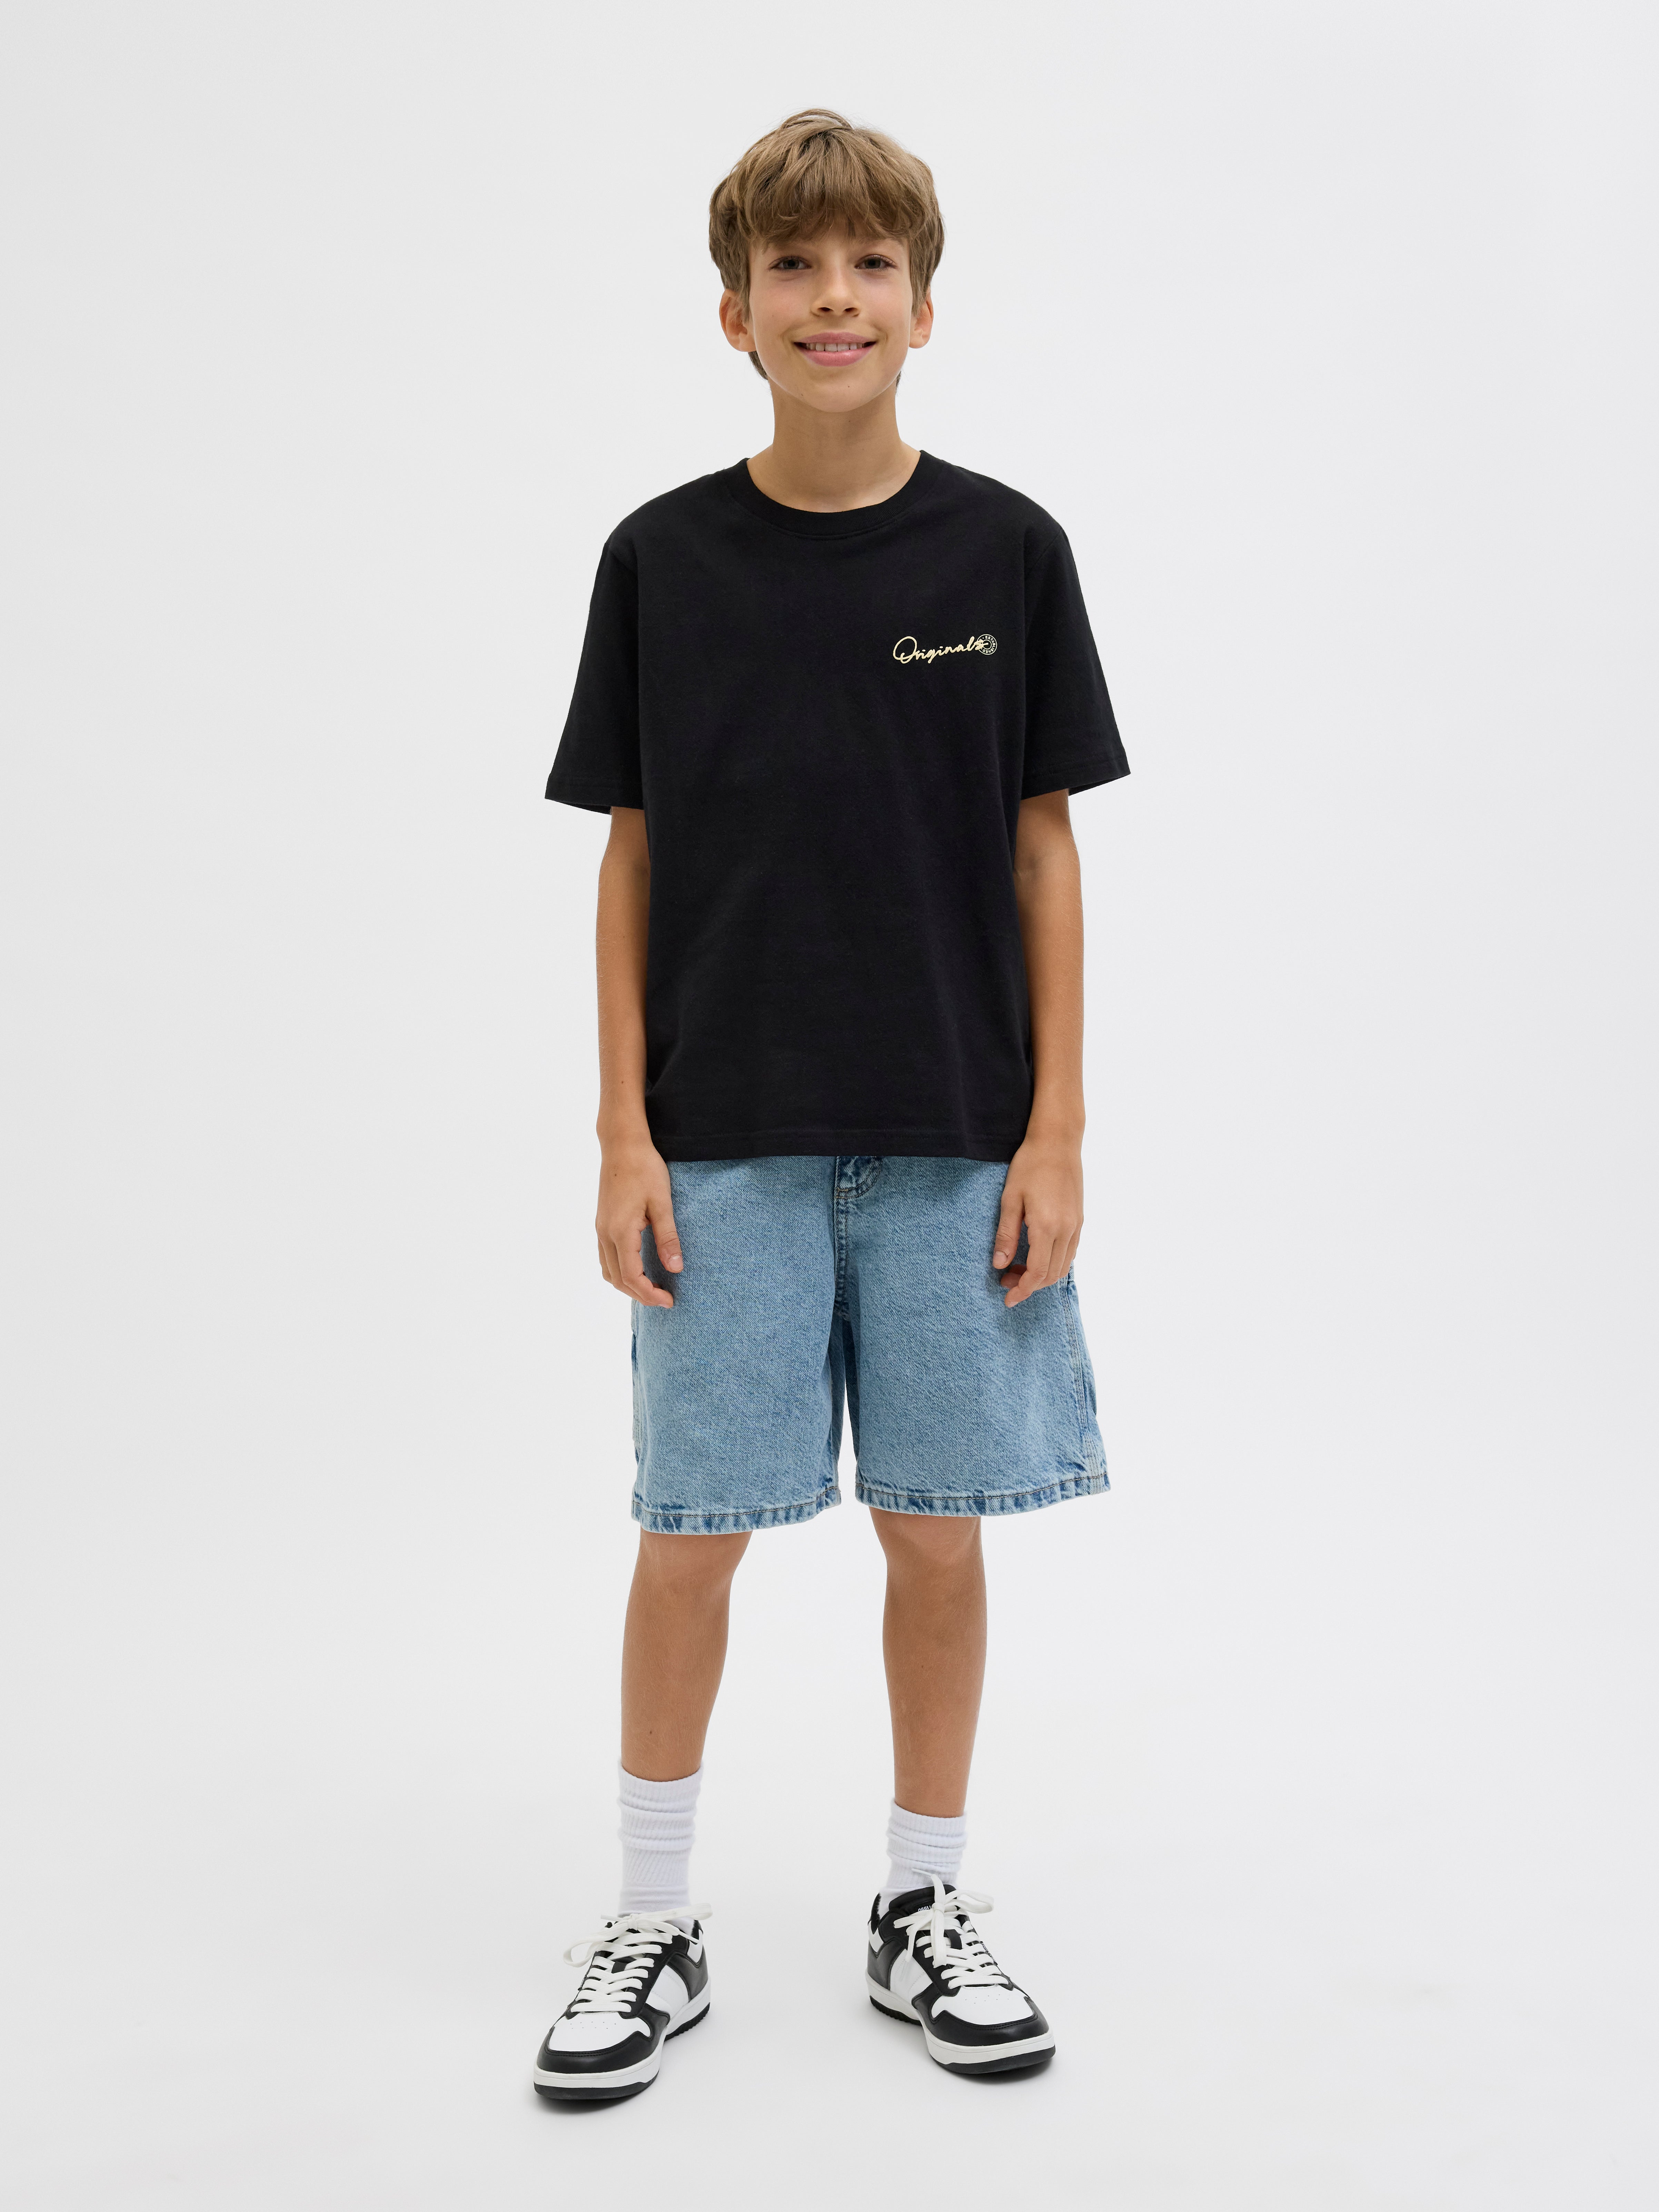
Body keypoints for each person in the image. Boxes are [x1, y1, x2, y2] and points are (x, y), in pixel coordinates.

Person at [533, 109, 1128, 2103]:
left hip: (959, 1141)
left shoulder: (1006, 552)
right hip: (724, 1145)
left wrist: (1056, 1131)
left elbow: (1044, 850)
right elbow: (630, 856)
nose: (835, 297)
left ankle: (924, 1906)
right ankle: (653, 1918)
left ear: (925, 307)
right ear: (736, 315)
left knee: (940, 1535)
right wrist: (623, 1134)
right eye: (794, 267)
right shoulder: (663, 561)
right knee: (691, 1533)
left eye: (872, 263)